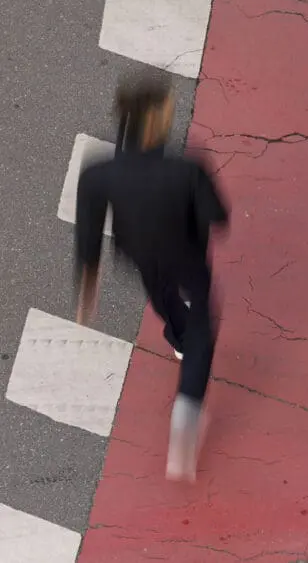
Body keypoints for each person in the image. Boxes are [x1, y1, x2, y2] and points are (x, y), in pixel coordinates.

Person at [74, 68, 229, 480]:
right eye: (168, 111)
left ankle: (175, 335)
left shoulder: (97, 174)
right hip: (187, 257)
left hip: (142, 256)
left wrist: (87, 289)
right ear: (154, 120)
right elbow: (219, 217)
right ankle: (186, 414)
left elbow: (88, 237)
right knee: (202, 330)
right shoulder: (185, 170)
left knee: (161, 296)